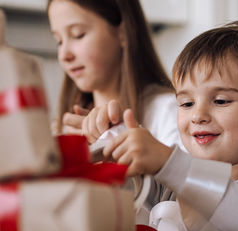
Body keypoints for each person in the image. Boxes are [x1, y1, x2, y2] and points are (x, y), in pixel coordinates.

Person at [100, 21, 238, 231]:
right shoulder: (167, 187)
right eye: (186, 103)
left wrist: (169, 162)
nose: (198, 115)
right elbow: (123, 196)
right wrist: (113, 141)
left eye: (220, 101)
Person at [47, 0, 182, 150]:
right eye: (59, 41)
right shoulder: (63, 128)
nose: (64, 55)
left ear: (123, 32)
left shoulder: (170, 112)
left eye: (78, 34)